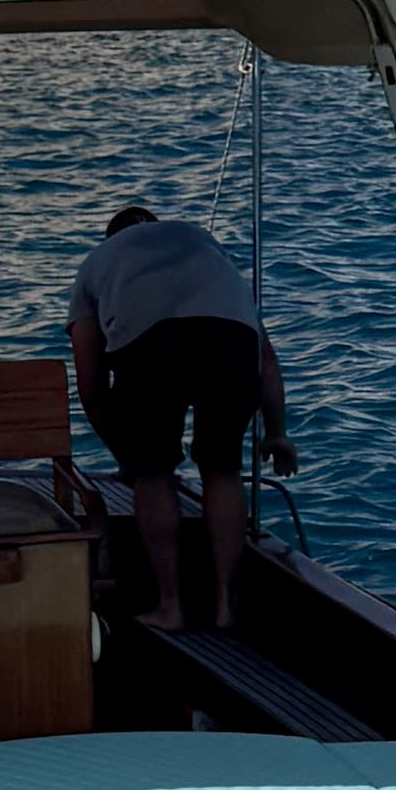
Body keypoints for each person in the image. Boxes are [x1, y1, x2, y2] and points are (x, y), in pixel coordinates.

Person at [67, 200, 289, 630]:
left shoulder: (96, 264)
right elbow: (265, 359)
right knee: (222, 470)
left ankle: (171, 607)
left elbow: (91, 387)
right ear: (155, 224)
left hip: (150, 347)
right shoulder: (203, 243)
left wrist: (129, 458)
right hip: (229, 341)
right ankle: (226, 604)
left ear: (111, 237)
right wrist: (277, 433)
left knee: (155, 477)